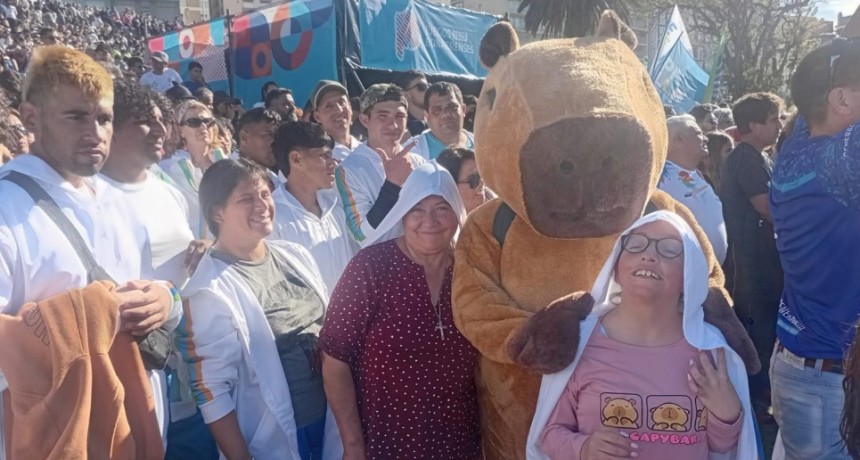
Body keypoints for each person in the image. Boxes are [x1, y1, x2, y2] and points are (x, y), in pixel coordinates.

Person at [0, 44, 181, 454]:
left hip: (135, 427)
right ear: (31, 117)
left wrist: (165, 300)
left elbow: (152, 287)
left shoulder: (116, 199)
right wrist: (89, 318)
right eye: (75, 116)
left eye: (104, 118)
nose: (95, 133)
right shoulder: (6, 208)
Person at [528, 211, 756, 460]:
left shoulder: (711, 351)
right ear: (616, 268)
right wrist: (584, 448)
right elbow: (549, 433)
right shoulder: (578, 342)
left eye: (669, 250)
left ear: (688, 275)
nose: (649, 255)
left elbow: (721, 448)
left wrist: (727, 414)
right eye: (636, 245)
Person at [176, 158, 341, 460]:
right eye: (246, 199)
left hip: (332, 420)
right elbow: (211, 391)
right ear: (217, 212)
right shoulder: (208, 290)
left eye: (265, 194)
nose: (263, 205)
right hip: (278, 439)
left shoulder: (296, 255)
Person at [320, 162, 480, 459]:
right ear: (402, 213)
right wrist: (353, 445)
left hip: (460, 443)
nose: (429, 221)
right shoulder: (371, 268)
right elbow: (334, 359)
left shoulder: (470, 272)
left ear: (457, 213)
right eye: (417, 209)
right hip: (386, 443)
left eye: (442, 208)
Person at [97, 80, 219, 460]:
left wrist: (205, 249)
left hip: (184, 358)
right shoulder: (87, 195)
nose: (161, 130)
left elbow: (188, 256)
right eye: (145, 121)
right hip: (125, 361)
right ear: (112, 127)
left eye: (163, 121)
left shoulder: (167, 192)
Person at [770, 38, 860, 459]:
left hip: (812, 370)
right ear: (840, 99)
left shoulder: (800, 145)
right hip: (829, 384)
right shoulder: (842, 157)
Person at [720, 91, 784, 424]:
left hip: (762, 260)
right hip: (749, 262)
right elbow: (766, 207)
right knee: (757, 327)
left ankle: (761, 394)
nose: (779, 125)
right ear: (754, 125)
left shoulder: (759, 156)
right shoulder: (746, 158)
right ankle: (754, 400)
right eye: (774, 119)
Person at [270, 121, 357, 294]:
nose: (333, 164)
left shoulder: (336, 206)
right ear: (296, 159)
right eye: (324, 156)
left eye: (331, 155)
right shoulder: (272, 216)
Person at [335, 83, 426, 246]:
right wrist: (392, 185)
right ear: (365, 120)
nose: (393, 125)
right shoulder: (349, 169)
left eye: (399, 116)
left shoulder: (419, 162)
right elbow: (360, 235)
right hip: (381, 261)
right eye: (383, 116)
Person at [658, 115, 727, 264]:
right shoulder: (658, 179)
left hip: (711, 272)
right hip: (680, 271)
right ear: (679, 139)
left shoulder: (699, 174)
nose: (706, 138)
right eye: (698, 133)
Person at [157, 99, 230, 238]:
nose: (203, 127)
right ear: (180, 130)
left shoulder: (228, 165)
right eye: (194, 122)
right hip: (186, 246)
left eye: (208, 121)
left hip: (228, 244)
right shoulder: (168, 169)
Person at [409, 82, 474, 161]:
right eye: (436, 110)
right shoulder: (412, 151)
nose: (445, 114)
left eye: (452, 107)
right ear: (427, 117)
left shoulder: (482, 144)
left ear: (463, 110)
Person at [310, 80, 358, 161]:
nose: (339, 110)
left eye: (341, 102)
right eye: (329, 106)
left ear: (350, 107)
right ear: (317, 117)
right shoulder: (316, 159)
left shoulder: (368, 149)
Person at [436, 147, 489, 213]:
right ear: (450, 187)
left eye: (482, 176)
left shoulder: (498, 212)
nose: (482, 184)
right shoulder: (432, 218)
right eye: (473, 180)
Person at [236, 107, 280, 181]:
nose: (275, 141)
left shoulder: (274, 179)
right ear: (244, 137)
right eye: (268, 135)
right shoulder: (224, 175)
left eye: (277, 136)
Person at [393, 70, 428, 136]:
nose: (428, 90)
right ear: (405, 95)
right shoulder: (399, 129)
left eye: (429, 86)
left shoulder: (437, 121)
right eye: (422, 87)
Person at [702, 130, 734, 194]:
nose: (734, 153)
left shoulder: (733, 177)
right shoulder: (704, 184)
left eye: (733, 149)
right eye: (729, 150)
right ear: (713, 155)